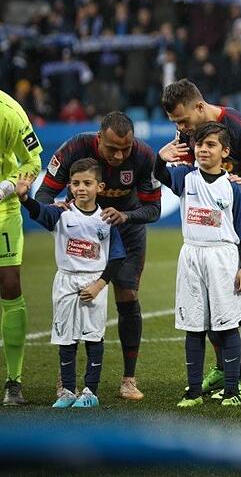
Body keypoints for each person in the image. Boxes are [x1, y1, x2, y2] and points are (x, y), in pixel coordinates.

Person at [161, 79, 241, 399]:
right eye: (177, 124)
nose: (182, 128)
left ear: (200, 107)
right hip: (212, 222)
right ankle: (223, 366)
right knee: (213, 299)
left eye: (184, 120)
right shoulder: (187, 135)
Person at [36, 111, 158, 401]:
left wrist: (126, 215)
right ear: (99, 138)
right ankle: (66, 380)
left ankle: (128, 379)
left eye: (124, 149)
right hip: (82, 234)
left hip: (125, 228)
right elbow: (43, 197)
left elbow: (152, 209)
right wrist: (60, 211)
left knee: (127, 297)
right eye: (112, 148)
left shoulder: (143, 156)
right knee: (76, 301)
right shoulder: (74, 148)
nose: (118, 155)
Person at [154, 122, 241, 407]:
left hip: (222, 257)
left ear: (225, 151)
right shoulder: (186, 177)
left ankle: (232, 390)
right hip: (191, 255)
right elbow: (159, 174)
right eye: (199, 144)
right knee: (194, 326)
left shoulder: (233, 188)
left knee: (226, 325)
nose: (203, 149)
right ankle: (194, 391)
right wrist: (160, 158)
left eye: (210, 145)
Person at [18, 158, 125, 408]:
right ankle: (67, 390)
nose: (81, 188)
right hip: (65, 281)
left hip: (94, 283)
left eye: (87, 183)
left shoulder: (106, 218)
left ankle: (90, 391)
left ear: (100, 186)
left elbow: (118, 256)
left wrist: (100, 285)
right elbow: (40, 212)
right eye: (76, 183)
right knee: (65, 339)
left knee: (93, 337)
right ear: (70, 185)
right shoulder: (61, 213)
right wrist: (25, 199)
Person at [0, 89, 43, 406]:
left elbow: (32, 159)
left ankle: (13, 383)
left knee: (10, 285)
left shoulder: (9, 113)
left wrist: (6, 187)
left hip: (2, 210)